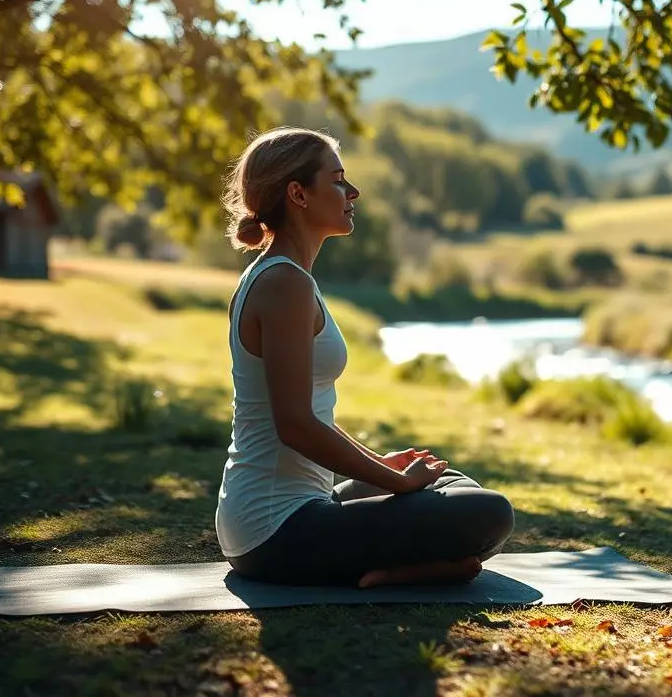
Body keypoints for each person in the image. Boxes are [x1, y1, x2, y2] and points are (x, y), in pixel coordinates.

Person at [214, 126, 514, 588]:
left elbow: (309, 412)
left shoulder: (285, 277)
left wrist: (381, 466)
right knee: (489, 512)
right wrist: (396, 484)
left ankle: (411, 567)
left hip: (299, 509)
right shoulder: (284, 285)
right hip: (276, 530)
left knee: (447, 482)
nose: (352, 192)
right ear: (298, 193)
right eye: (337, 180)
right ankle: (411, 570)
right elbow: (293, 424)